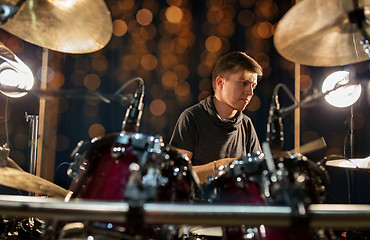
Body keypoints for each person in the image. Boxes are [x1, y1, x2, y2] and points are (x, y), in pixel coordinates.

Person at [169, 51, 263, 183]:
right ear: (220, 83)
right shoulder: (191, 117)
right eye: (243, 83)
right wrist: (219, 167)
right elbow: (177, 174)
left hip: (235, 202)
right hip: (198, 203)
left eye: (253, 86)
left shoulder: (246, 124)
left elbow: (257, 174)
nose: (250, 92)